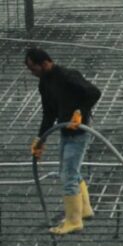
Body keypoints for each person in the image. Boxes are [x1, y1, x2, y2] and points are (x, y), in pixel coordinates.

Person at [25, 48, 100, 235]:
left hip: (79, 132)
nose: (32, 73)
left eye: (34, 68)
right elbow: (48, 113)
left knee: (67, 175)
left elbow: (94, 92)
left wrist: (80, 112)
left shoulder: (67, 76)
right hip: (65, 131)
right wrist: (40, 139)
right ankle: (84, 210)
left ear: (44, 63)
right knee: (69, 172)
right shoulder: (44, 83)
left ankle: (74, 221)